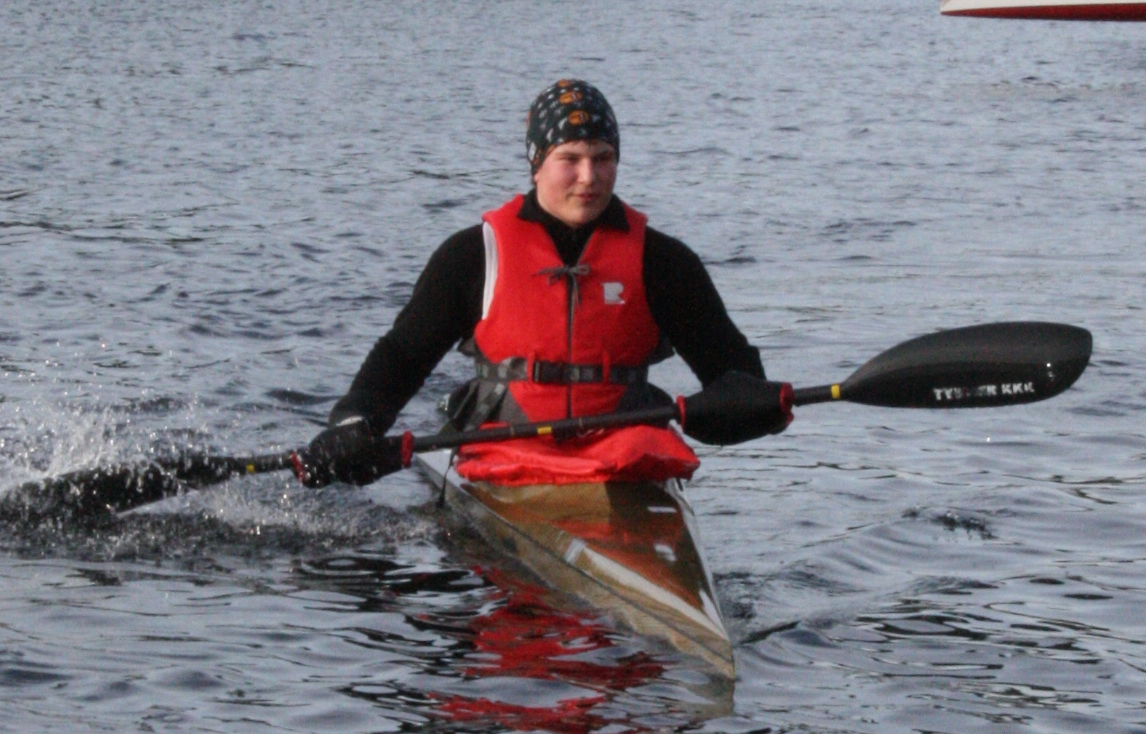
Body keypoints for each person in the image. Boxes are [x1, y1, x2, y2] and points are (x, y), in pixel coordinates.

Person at [292, 80, 792, 490]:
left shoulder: (663, 261)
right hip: (507, 452)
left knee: (644, 445)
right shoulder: (473, 255)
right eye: (570, 158)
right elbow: (402, 357)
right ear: (537, 165)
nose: (589, 177)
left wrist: (749, 409)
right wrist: (353, 425)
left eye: (603, 157)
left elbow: (737, 372)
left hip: (624, 460)